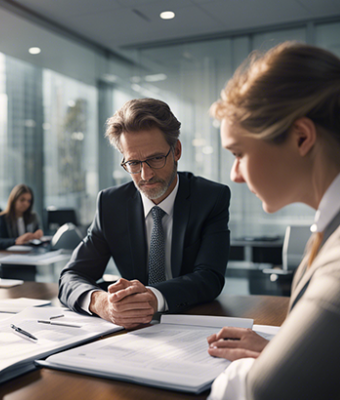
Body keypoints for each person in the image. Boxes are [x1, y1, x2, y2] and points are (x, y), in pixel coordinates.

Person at [206, 42, 340, 400]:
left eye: (239, 153)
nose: (235, 175)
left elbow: (264, 393)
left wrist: (270, 368)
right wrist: (286, 350)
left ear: (301, 137)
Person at [59, 98, 231, 329]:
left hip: (194, 323)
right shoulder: (110, 204)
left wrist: (153, 296)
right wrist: (100, 303)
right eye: (133, 163)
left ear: (176, 150)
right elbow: (71, 276)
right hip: (135, 331)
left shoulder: (210, 198)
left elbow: (210, 278)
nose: (145, 174)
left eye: (156, 158)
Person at [0, 184, 43, 250]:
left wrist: (37, 235)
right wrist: (16, 241)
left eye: (29, 201)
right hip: (10, 254)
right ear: (14, 200)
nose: (26, 204)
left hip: (30, 252)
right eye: (22, 200)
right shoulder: (2, 217)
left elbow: (36, 236)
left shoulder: (33, 217)